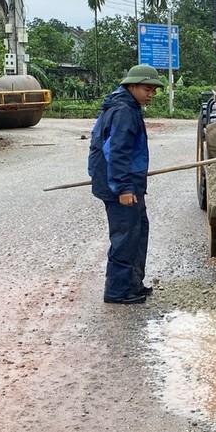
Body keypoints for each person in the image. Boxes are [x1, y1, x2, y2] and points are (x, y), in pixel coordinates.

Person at [88, 65, 163, 304]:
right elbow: (117, 151)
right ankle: (117, 292)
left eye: (153, 90)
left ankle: (133, 285)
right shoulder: (124, 111)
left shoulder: (128, 107)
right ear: (131, 86)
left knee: (138, 232)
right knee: (125, 237)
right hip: (120, 186)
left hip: (126, 183)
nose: (150, 94)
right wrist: (124, 188)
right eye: (146, 89)